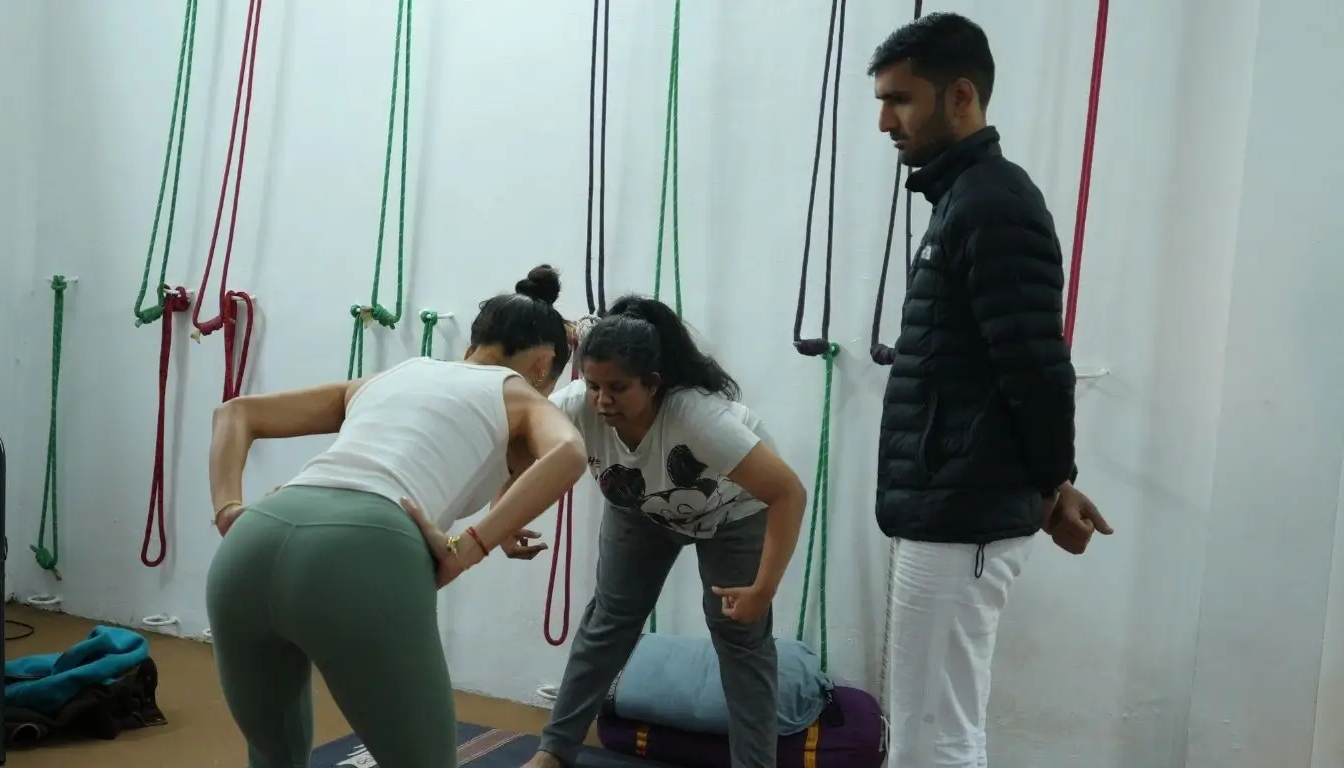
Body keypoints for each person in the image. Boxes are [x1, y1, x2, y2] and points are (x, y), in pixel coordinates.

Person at [204, 265, 588, 768]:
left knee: (275, 756)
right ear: (543, 364)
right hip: (362, 553)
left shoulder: (393, 376)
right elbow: (568, 455)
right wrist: (468, 548)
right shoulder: (516, 392)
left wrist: (230, 510)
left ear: (473, 343)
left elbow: (236, 413)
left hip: (250, 545)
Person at [867, 12, 1113, 767]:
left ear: (962, 97)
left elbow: (1036, 365)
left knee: (933, 738)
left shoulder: (994, 204)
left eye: (900, 100)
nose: (884, 122)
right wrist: (1051, 482)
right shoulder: (963, 202)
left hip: (962, 515)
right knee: (928, 729)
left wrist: (1053, 480)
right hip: (950, 507)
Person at [515, 295, 807, 768]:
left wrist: (763, 589)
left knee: (740, 638)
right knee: (608, 622)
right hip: (640, 510)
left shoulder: (699, 418)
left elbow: (789, 493)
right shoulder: (576, 406)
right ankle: (554, 751)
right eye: (593, 386)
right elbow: (517, 445)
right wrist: (504, 520)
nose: (603, 400)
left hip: (734, 514)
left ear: (653, 384)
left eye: (618, 387)